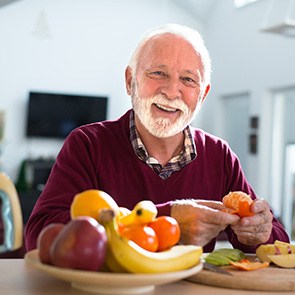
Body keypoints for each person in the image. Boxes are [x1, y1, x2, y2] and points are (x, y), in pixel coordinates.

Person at [25, 23, 289, 252]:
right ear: (130, 81)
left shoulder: (219, 155)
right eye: (158, 73)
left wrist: (259, 232)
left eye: (188, 79)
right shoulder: (87, 144)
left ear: (203, 95)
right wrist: (167, 219)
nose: (172, 91)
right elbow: (39, 236)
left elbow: (279, 243)